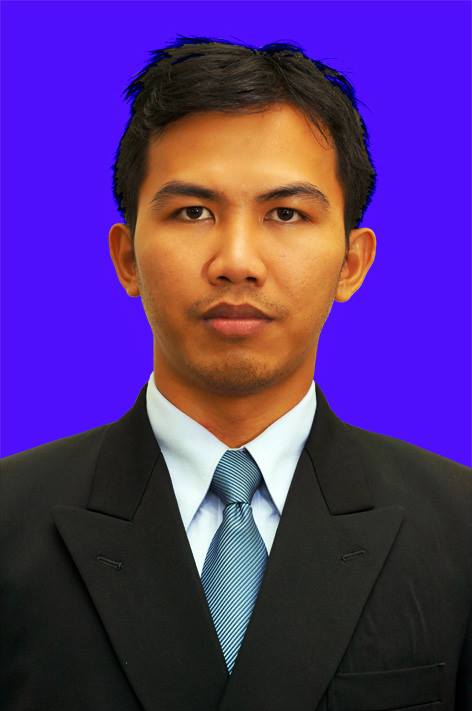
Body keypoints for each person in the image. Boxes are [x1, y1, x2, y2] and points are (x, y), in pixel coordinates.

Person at [1, 35, 470, 711]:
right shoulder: (10, 522)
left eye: (286, 213)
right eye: (193, 212)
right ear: (127, 258)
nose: (237, 262)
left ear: (351, 264)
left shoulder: (459, 529)